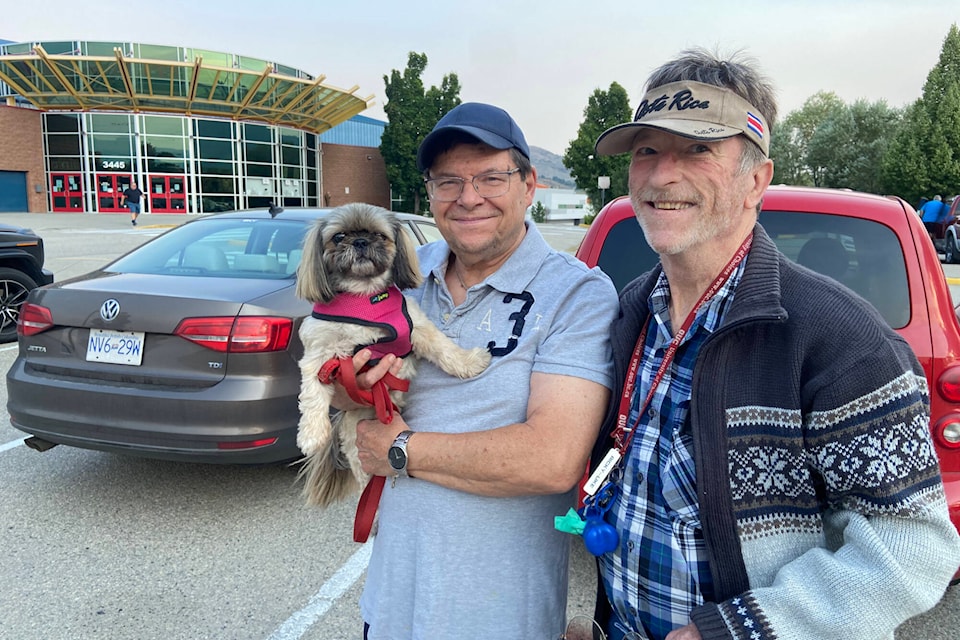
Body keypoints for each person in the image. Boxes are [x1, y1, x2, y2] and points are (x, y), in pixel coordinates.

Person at [588, 48, 960, 640]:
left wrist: (738, 630)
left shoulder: (839, 338)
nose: (661, 175)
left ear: (756, 179)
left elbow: (913, 547)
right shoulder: (631, 310)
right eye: (647, 151)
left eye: (698, 149)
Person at [340, 102, 619, 638]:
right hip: (391, 605)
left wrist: (401, 451)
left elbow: (553, 460)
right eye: (448, 181)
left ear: (529, 184)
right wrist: (347, 383)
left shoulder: (576, 294)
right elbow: (339, 383)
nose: (468, 197)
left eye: (491, 176)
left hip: (498, 617)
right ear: (429, 192)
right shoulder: (403, 275)